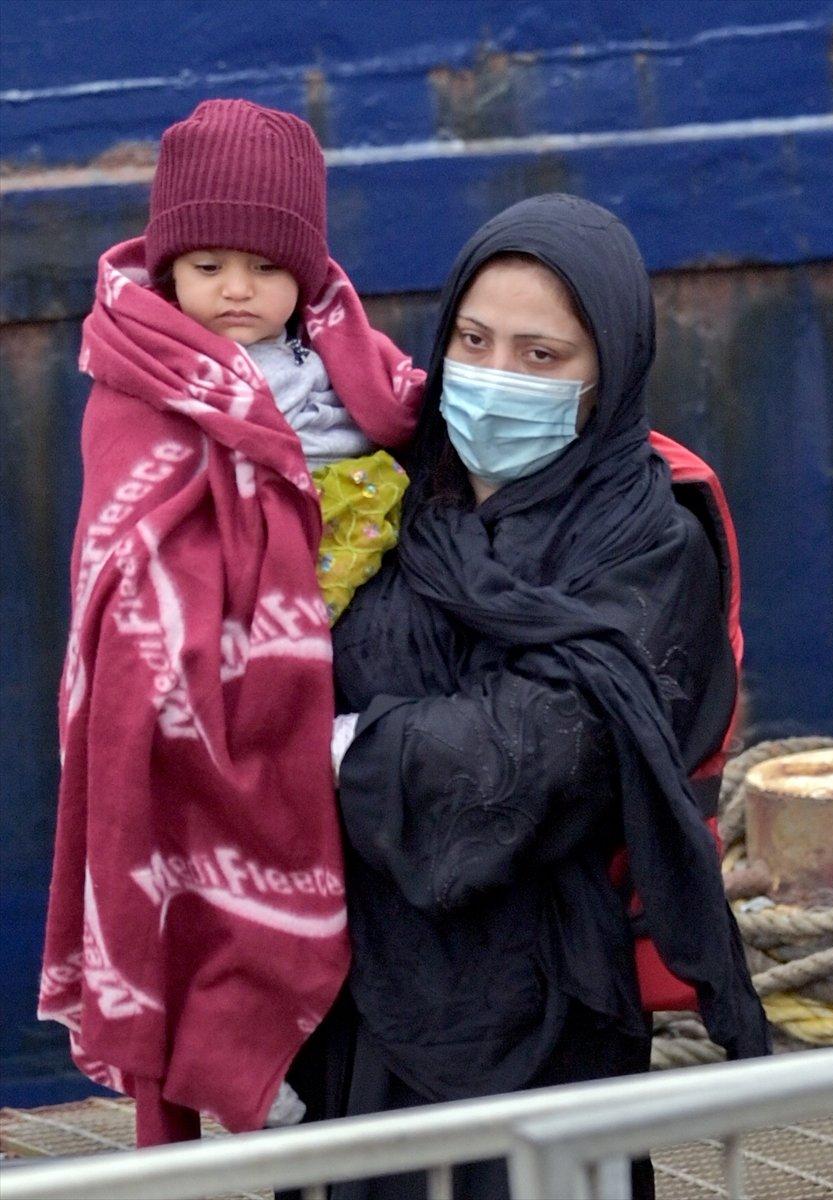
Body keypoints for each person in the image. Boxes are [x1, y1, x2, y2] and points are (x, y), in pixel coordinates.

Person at [284, 194, 770, 1200]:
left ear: (609, 371)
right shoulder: (389, 498)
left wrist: (324, 749)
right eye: (473, 339)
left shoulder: (651, 542)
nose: (493, 379)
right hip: (361, 1004)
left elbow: (540, 755)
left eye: (542, 357)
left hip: (548, 1021)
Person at [37, 99, 423, 1147]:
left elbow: (401, 436)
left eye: (263, 264)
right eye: (205, 264)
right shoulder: (136, 376)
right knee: (186, 805)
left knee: (308, 827)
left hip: (334, 666)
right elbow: (122, 552)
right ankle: (225, 1053)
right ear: (168, 270)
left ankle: (278, 1043)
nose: (235, 290)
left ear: (307, 271)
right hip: (184, 672)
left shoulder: (358, 376)